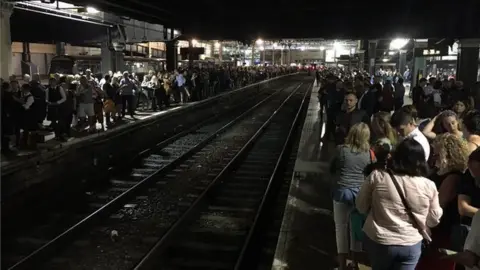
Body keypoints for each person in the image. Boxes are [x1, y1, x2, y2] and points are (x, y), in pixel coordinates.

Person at [356, 138, 443, 270]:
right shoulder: (429, 185)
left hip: (380, 241)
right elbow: (433, 220)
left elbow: (361, 206)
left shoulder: (378, 176)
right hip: (411, 243)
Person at [330, 123, 374, 270]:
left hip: (342, 192)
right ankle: (355, 264)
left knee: (340, 228)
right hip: (360, 195)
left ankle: (342, 265)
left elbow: (332, 168)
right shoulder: (369, 153)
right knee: (356, 228)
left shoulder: (341, 150)